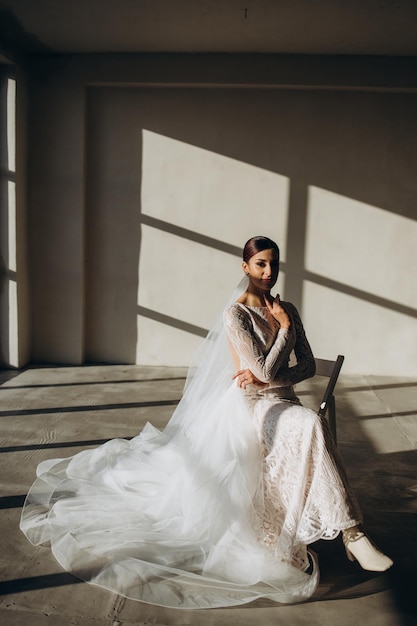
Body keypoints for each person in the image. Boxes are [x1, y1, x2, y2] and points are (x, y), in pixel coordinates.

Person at [20, 235, 392, 610]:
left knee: (305, 423)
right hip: (253, 408)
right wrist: (282, 334)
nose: (268, 272)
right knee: (311, 423)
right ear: (245, 267)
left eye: (273, 264)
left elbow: (306, 368)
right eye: (260, 264)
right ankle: (352, 534)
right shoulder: (237, 315)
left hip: (283, 403)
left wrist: (276, 357)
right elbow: (260, 371)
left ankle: (346, 535)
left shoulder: (288, 309)